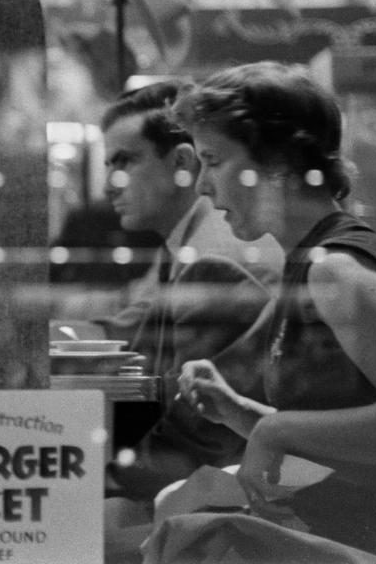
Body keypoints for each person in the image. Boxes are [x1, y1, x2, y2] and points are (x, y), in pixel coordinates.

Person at [170, 61, 376, 562]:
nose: (200, 186)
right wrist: (241, 413)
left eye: (212, 160)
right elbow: (360, 443)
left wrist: (276, 429)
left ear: (276, 162)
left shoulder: (336, 271)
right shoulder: (308, 259)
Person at [98, 81, 285, 501]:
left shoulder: (214, 256)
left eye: (123, 162)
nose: (108, 185)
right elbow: (132, 329)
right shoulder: (190, 242)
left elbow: (202, 434)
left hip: (232, 501)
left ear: (183, 162)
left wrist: (98, 481)